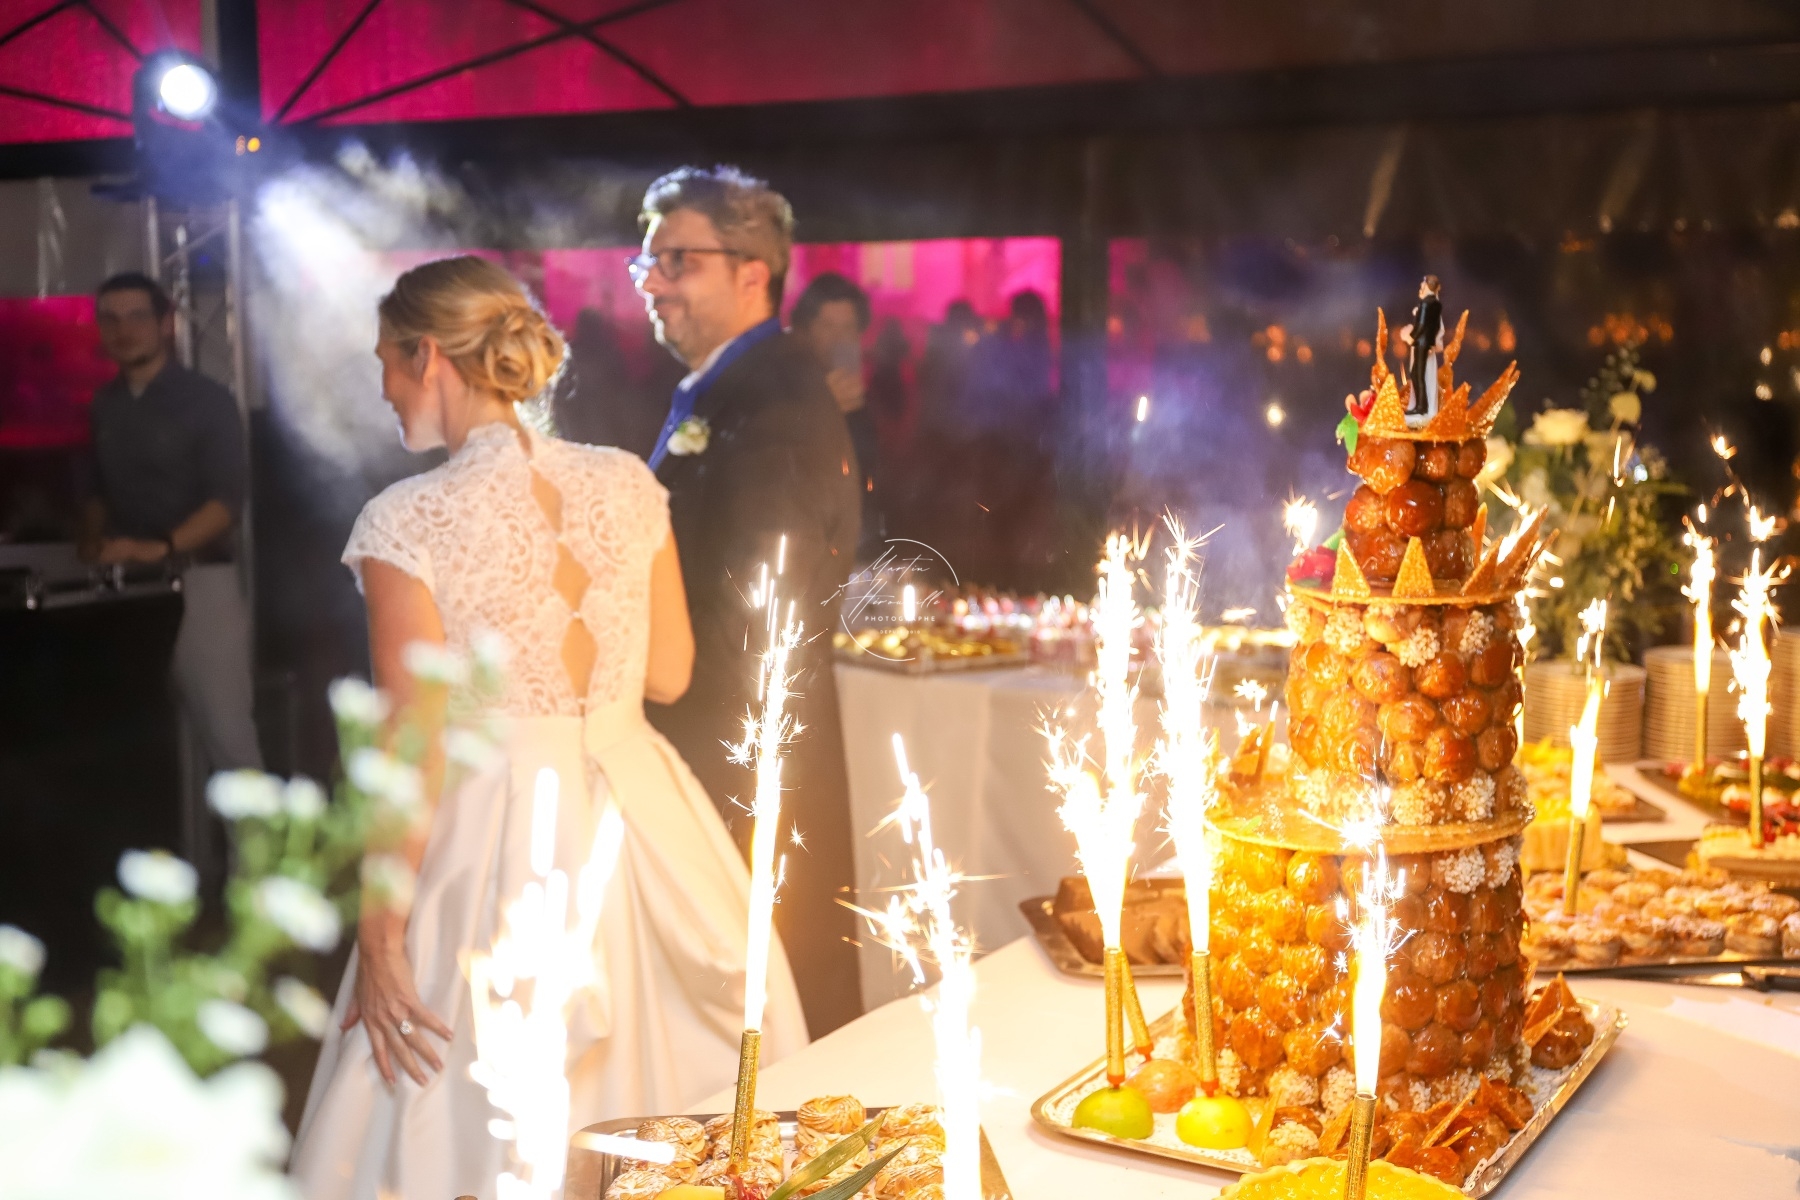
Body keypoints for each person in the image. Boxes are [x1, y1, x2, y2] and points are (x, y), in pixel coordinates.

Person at [290, 257, 805, 1200]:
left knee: (458, 1099)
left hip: (496, 834)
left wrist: (381, 936)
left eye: (385, 362)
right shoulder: (627, 484)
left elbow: (413, 746)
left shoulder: (407, 520)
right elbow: (669, 673)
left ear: (428, 356)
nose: (383, 387)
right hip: (641, 809)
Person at [633, 166, 864, 1036]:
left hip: (741, 756)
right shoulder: (729, 385)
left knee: (764, 1006)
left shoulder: (775, 397)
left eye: (678, 262)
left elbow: (759, 606)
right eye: (648, 263)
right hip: (725, 743)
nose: (654, 284)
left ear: (752, 273)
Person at [82, 272, 262, 784]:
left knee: (228, 737)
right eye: (111, 319)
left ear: (165, 324)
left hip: (199, 582)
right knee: (135, 743)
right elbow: (94, 488)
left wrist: (158, 547)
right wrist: (91, 540)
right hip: (127, 594)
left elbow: (225, 503)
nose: (123, 330)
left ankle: (262, 837)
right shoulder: (104, 404)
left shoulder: (207, 401)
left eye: (137, 316)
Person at [789, 271, 881, 557]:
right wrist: (822, 409)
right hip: (805, 538)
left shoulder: (870, 388)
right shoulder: (784, 385)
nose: (838, 338)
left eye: (848, 327)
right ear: (805, 330)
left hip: (860, 535)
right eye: (826, 326)